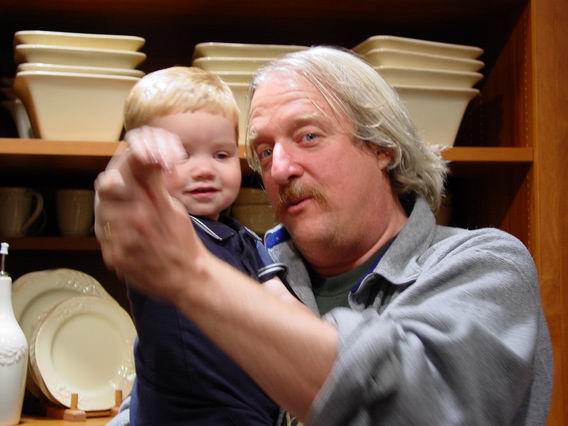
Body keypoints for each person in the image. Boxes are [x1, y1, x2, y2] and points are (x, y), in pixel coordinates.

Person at [95, 47, 553, 425]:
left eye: (308, 136)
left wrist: (190, 276)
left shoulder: (485, 265)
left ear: (382, 146)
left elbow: (419, 407)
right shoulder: (249, 261)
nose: (279, 169)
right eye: (264, 151)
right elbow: (161, 393)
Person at [114, 66, 296, 426]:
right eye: (181, 155)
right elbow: (123, 203)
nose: (204, 170)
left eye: (221, 155)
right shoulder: (160, 231)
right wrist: (136, 168)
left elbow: (285, 309)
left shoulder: (246, 240)